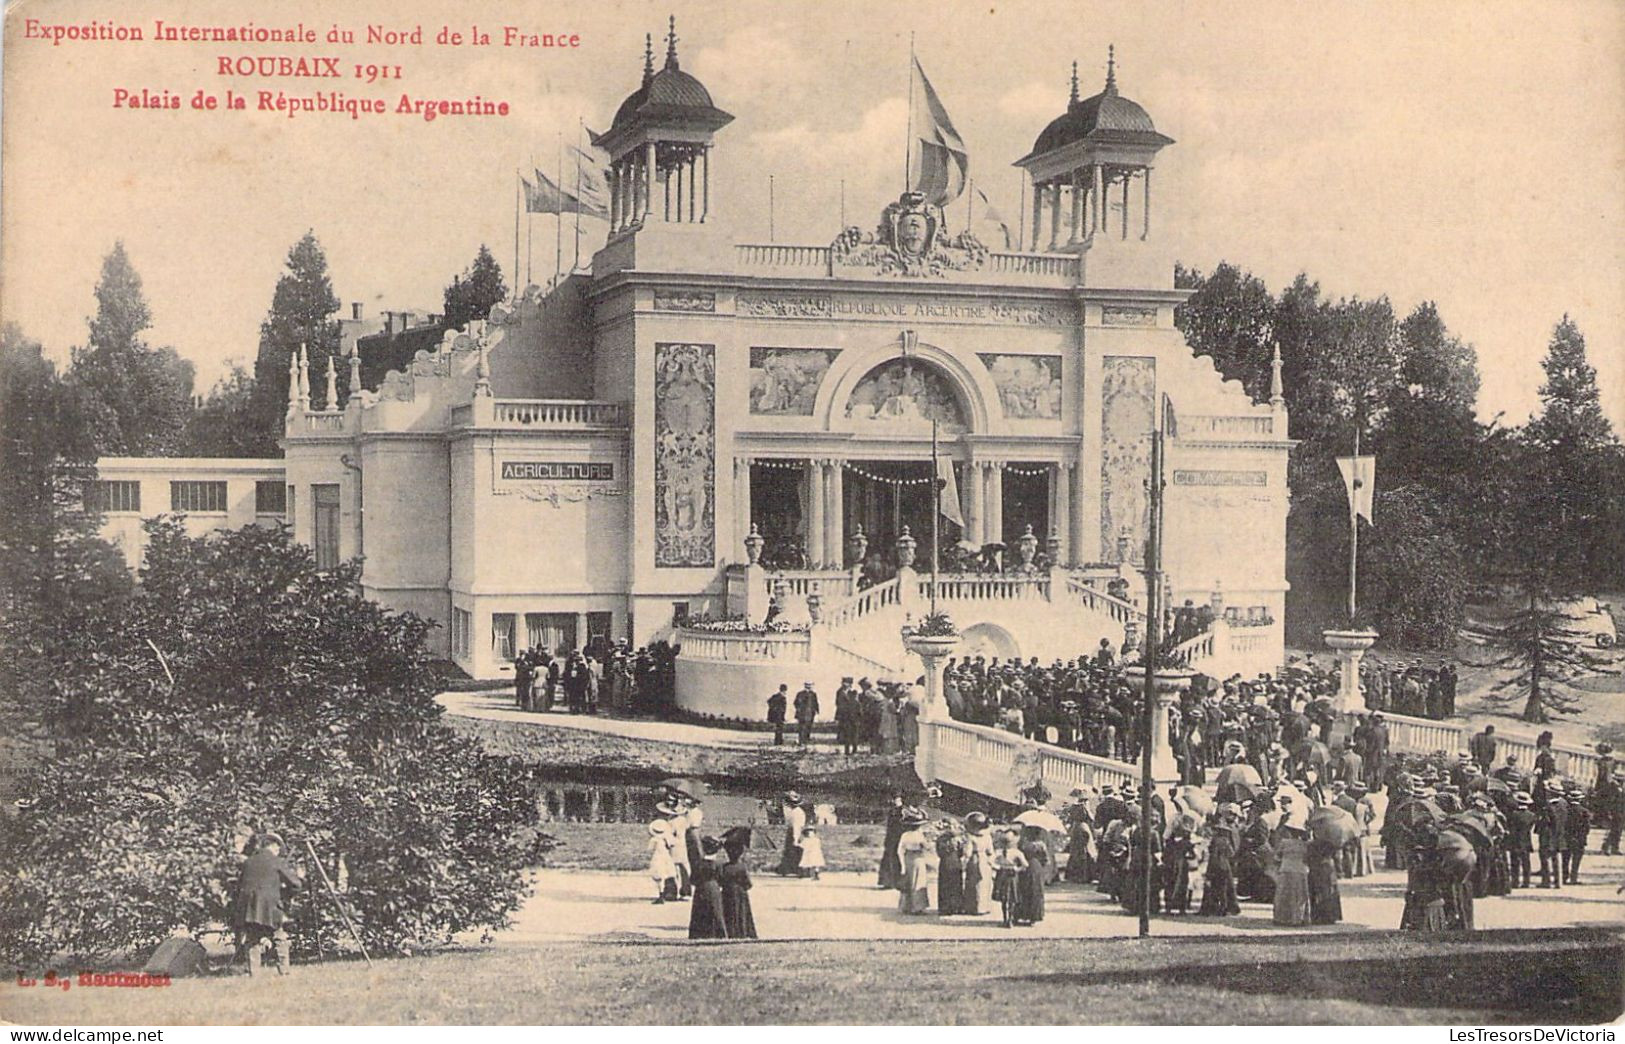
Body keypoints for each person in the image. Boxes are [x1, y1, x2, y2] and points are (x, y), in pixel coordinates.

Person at [233, 832, 304, 976]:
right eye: (278, 849)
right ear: (274, 846)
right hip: (269, 905)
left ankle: (254, 973)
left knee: (253, 938)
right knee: (279, 936)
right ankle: (284, 972)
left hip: (249, 906)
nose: (278, 852)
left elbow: (240, 885)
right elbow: (296, 885)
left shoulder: (248, 862)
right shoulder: (277, 862)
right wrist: (285, 895)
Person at [1199, 808, 1242, 916]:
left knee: (1214, 887)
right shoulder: (1227, 839)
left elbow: (1213, 855)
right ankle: (1224, 908)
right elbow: (1231, 852)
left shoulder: (1215, 840)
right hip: (1225, 865)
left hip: (1215, 864)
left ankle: (1212, 908)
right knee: (1223, 888)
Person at [718, 827, 758, 939]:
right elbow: (748, 884)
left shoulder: (724, 867)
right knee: (742, 913)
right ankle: (742, 931)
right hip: (740, 893)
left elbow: (721, 881)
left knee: (728, 913)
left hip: (727, 893)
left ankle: (730, 931)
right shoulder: (742, 867)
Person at [688, 836, 730, 939]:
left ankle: (698, 933)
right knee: (716, 910)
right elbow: (721, 878)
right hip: (714, 888)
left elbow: (692, 879)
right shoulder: (718, 864)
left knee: (700, 910)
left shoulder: (698, 864)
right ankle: (718, 933)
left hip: (701, 889)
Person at [896, 807, 935, 915]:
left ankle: (906, 906)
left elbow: (900, 850)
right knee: (918, 881)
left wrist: (902, 864)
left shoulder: (905, 835)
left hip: (907, 857)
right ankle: (917, 907)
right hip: (918, 858)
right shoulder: (919, 835)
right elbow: (926, 847)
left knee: (908, 881)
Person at [1272, 823, 1311, 926]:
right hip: (1300, 871)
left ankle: (1282, 918)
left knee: (1284, 894)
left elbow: (1276, 856)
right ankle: (1298, 918)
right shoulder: (1305, 844)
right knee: (1299, 895)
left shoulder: (1284, 842)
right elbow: (1308, 859)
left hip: (1286, 869)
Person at [992, 829, 1030, 928]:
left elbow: (990, 862)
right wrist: (1017, 869)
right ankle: (1010, 920)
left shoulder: (999, 852)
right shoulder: (1017, 852)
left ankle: (1006, 919)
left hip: (1002, 875)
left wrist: (999, 868)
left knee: (1004, 899)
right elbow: (1025, 865)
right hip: (1012, 875)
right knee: (1011, 899)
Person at [960, 812, 995, 915]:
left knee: (973, 883)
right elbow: (991, 851)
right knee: (985, 883)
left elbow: (967, 852)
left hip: (975, 859)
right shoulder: (987, 836)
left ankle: (973, 907)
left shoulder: (970, 837)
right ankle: (984, 906)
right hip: (985, 859)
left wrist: (964, 860)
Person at [1015, 824, 1049, 926]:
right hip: (1037, 867)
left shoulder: (1023, 843)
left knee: (1023, 890)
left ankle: (1021, 915)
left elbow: (1018, 855)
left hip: (1025, 867)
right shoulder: (1041, 845)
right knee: (1036, 891)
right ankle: (1034, 917)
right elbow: (1046, 859)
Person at [1307, 836, 1343, 924]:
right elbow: (1337, 858)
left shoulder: (1311, 845)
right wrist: (1339, 871)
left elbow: (1308, 858)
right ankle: (1331, 916)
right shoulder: (1332, 844)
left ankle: (1316, 916)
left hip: (1316, 869)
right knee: (1330, 892)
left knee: (1316, 892)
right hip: (1329, 868)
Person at [1538, 787, 1568, 889]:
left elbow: (1545, 822)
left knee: (1545, 858)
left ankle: (1546, 881)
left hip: (1548, 835)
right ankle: (1558, 881)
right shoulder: (1564, 803)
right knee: (1557, 858)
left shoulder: (1548, 806)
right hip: (1560, 834)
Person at [1506, 790, 1535, 889]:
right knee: (1526, 862)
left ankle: (1515, 882)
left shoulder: (1513, 814)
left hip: (1515, 840)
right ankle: (1526, 881)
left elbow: (1510, 827)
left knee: (1515, 863)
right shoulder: (1531, 815)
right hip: (1526, 840)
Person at [1564, 781, 1591, 884]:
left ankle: (1564, 877)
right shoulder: (1584, 811)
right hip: (1579, 839)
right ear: (1580, 799)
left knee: (1566, 858)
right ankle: (1573, 878)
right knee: (1576, 860)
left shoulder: (1566, 809)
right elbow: (1587, 827)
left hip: (1567, 837)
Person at [877, 794, 906, 889]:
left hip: (899, 837)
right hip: (891, 837)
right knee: (888, 859)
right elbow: (889, 826)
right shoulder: (891, 811)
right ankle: (887, 882)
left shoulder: (903, 811)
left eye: (897, 800)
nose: (895, 802)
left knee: (897, 860)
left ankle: (897, 882)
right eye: (894, 800)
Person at [935, 820, 964, 914]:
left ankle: (953, 907)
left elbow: (961, 852)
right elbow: (961, 852)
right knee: (948, 885)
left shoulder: (943, 839)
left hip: (951, 862)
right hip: (949, 862)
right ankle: (950, 907)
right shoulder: (956, 839)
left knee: (954, 885)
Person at [776, 791, 806, 876]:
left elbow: (796, 826)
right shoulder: (796, 812)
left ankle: (793, 869)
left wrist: (795, 839)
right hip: (794, 831)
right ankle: (787, 869)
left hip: (795, 832)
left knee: (793, 851)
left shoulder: (796, 813)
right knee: (791, 851)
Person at [647, 820, 677, 903]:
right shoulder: (667, 838)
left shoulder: (654, 839)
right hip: (666, 857)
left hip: (658, 857)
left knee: (659, 877)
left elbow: (650, 849)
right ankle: (667, 893)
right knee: (667, 874)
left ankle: (660, 895)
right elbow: (672, 845)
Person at [794, 680, 820, 745]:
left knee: (808, 726)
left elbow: (816, 703)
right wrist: (799, 709)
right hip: (802, 714)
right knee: (802, 727)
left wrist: (816, 710)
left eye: (810, 685)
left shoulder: (813, 694)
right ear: (805, 686)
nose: (809, 686)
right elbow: (795, 703)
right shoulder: (800, 694)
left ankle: (806, 740)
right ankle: (801, 741)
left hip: (810, 714)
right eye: (808, 685)